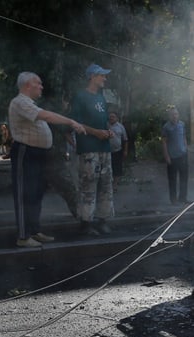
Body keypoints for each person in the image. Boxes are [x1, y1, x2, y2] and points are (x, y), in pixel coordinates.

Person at [8, 71, 86, 247]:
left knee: (36, 194)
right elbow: (47, 116)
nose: (41, 86)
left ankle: (34, 231)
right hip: (25, 152)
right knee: (24, 195)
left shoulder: (31, 104)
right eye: (39, 83)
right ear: (28, 85)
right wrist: (71, 122)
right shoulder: (20, 102)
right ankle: (23, 236)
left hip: (38, 154)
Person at [69, 63, 116, 236]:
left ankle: (102, 220)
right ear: (92, 77)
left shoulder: (101, 97)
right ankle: (86, 223)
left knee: (106, 184)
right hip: (88, 149)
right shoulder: (80, 97)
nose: (105, 78)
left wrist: (107, 132)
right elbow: (75, 123)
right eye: (102, 75)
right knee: (88, 184)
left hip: (104, 148)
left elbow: (102, 122)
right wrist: (96, 133)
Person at [161, 105, 189, 204]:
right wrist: (166, 156)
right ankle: (173, 200)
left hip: (183, 155)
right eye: (172, 115)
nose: (175, 116)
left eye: (176, 114)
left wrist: (186, 148)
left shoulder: (182, 124)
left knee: (184, 178)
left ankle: (183, 198)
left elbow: (184, 137)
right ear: (169, 116)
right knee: (172, 179)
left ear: (178, 115)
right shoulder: (166, 127)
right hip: (172, 157)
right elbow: (164, 142)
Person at [108, 111, 128, 191]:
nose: (111, 118)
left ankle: (115, 186)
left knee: (117, 169)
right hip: (107, 151)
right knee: (108, 168)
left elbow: (125, 139)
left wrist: (125, 151)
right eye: (110, 116)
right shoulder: (105, 125)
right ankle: (108, 185)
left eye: (113, 116)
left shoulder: (120, 127)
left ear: (117, 118)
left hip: (117, 151)